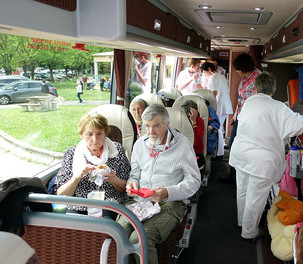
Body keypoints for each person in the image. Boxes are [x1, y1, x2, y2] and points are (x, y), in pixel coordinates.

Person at [118, 104, 201, 264]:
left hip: (170, 203)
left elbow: (194, 181)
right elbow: (134, 174)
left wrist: (168, 192)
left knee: (141, 238)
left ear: (167, 124)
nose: (150, 132)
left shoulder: (182, 145)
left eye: (156, 126)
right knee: (117, 233)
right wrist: (132, 183)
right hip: (139, 201)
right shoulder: (140, 144)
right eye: (147, 126)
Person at [229, 72, 303, 240]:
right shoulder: (278, 107)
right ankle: (249, 232)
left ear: (256, 88)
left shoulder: (249, 102)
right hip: (261, 161)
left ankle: (242, 222)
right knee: (255, 198)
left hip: (241, 154)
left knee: (242, 190)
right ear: (273, 89)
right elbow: (298, 126)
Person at [54, 113, 131, 219]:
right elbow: (61, 195)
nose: (94, 139)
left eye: (99, 134)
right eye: (89, 134)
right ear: (81, 135)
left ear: (105, 134)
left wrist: (114, 180)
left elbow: (126, 188)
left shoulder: (116, 150)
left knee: (103, 226)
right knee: (71, 226)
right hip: (78, 205)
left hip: (108, 204)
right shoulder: (72, 153)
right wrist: (76, 177)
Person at [226, 53, 261, 182]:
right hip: (240, 118)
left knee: (243, 150)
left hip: (251, 121)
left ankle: (240, 177)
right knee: (233, 146)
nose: (237, 72)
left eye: (238, 69)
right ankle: (233, 176)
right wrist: (235, 117)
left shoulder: (258, 78)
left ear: (244, 67)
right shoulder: (245, 78)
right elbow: (241, 100)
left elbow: (259, 102)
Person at [200, 62, 233, 158]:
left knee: (217, 128)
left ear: (209, 69)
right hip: (225, 104)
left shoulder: (213, 77)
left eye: (205, 72)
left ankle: (219, 154)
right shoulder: (221, 76)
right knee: (220, 128)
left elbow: (213, 93)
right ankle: (220, 152)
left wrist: (205, 91)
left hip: (220, 105)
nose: (205, 75)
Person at [181, 99, 205, 167]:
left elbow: (197, 143)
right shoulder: (180, 120)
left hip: (195, 153)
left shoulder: (199, 121)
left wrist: (194, 122)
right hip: (181, 152)